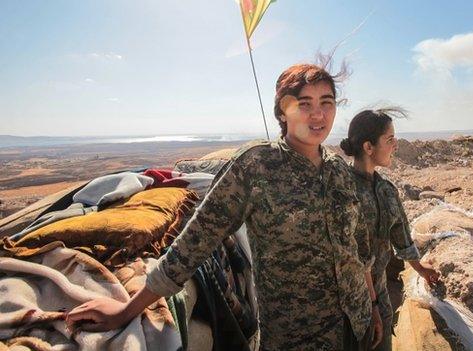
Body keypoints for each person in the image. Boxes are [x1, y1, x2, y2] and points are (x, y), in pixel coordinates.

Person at [66, 63, 383, 350]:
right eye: (305, 104)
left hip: (355, 327)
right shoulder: (257, 166)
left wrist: (371, 307)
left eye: (326, 103)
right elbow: (195, 241)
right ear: (283, 112)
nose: (318, 115)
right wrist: (127, 310)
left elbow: (358, 247)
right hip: (297, 339)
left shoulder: (339, 172)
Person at [340, 108, 440, 351]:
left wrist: (419, 267)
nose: (396, 145)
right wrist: (372, 305)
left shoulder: (386, 189)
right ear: (368, 147)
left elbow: (401, 234)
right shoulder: (344, 190)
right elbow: (355, 255)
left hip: (380, 293)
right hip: (351, 299)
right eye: (390, 139)